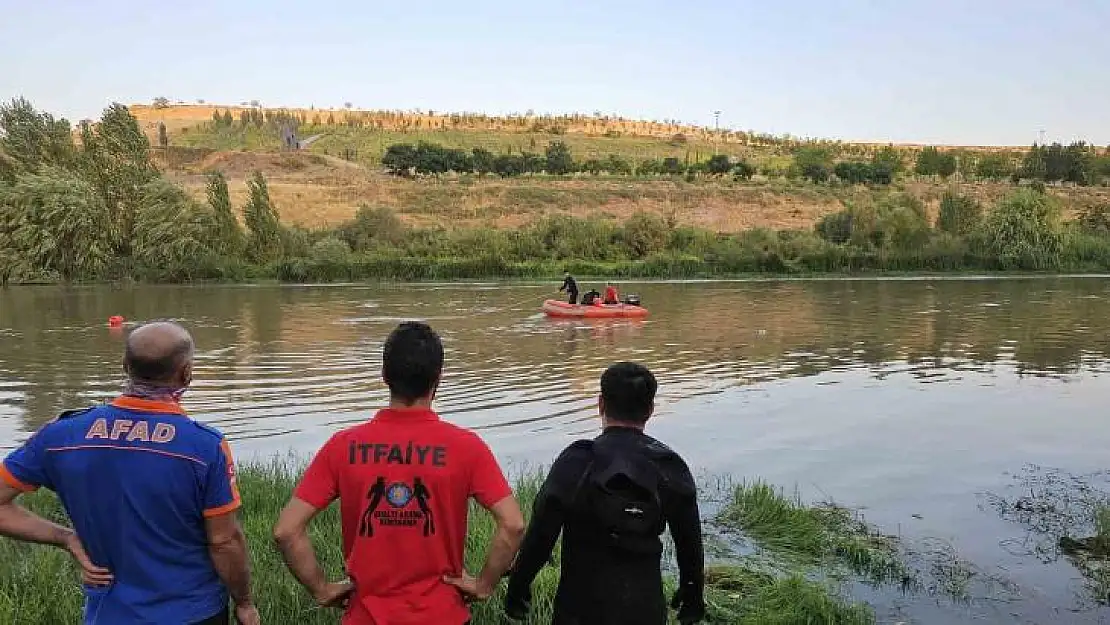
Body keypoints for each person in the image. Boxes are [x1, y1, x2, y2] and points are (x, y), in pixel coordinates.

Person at [0, 321, 259, 625]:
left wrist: (65, 537)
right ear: (186, 373)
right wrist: (244, 602)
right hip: (192, 612)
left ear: (124, 366)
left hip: (109, 613)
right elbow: (224, 541)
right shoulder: (204, 447)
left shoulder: (60, 436)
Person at [274, 321, 526, 625]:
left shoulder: (343, 446)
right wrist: (483, 585)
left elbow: (287, 531)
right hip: (442, 616)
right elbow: (512, 525)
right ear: (439, 378)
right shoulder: (467, 447)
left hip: (366, 617)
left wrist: (323, 589)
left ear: (384, 376)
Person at [504, 362, 705, 625]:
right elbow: (689, 543)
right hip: (644, 608)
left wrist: (518, 587)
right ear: (650, 410)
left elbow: (541, 536)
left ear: (600, 404)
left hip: (579, 610)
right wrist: (692, 593)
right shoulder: (669, 465)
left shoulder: (576, 461)